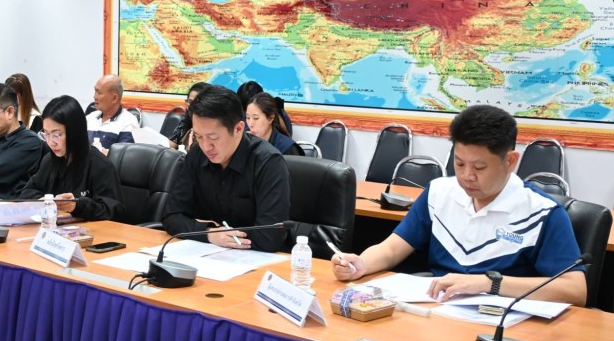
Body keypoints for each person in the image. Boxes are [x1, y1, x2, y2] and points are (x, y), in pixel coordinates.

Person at [332, 105, 586, 306]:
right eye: (459, 163)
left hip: (502, 324)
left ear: (510, 161)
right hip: (437, 313)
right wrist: (361, 264)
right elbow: (392, 249)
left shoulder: (542, 213)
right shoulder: (439, 193)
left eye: (479, 167)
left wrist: (489, 283)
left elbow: (575, 290)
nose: (467, 176)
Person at [162, 85, 291, 252]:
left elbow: (270, 237)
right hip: (204, 255)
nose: (206, 146)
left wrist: (219, 235)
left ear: (238, 129)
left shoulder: (268, 163)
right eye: (199, 137)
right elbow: (171, 216)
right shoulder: (197, 154)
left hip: (258, 260)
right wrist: (209, 233)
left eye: (213, 137)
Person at [19, 95, 124, 221]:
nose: (51, 142)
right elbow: (27, 192)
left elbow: (113, 212)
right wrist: (43, 200)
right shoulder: (50, 160)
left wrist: (76, 206)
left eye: (56, 135)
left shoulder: (101, 166)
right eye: (46, 134)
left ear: (75, 132)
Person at [86, 74, 138, 153]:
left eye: (99, 93)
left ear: (114, 98)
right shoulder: (90, 117)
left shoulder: (129, 122)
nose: (95, 97)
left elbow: (123, 156)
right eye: (95, 91)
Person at [167, 81, 210, 150]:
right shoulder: (186, 121)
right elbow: (171, 144)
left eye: (197, 102)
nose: (192, 106)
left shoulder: (211, 127)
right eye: (190, 102)